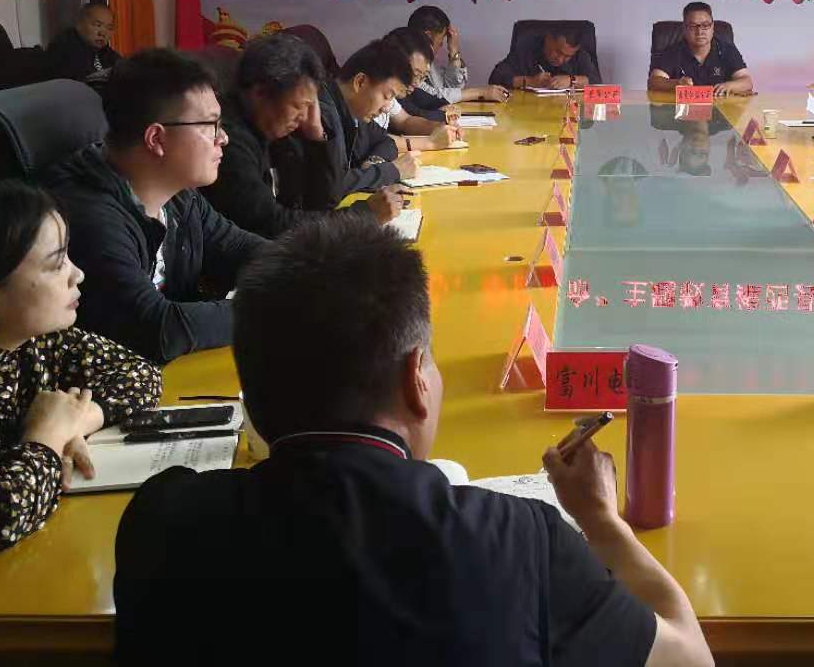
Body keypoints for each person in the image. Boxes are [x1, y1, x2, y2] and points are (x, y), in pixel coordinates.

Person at [114, 215, 714, 667]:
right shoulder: (523, 542)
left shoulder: (163, 522)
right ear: (415, 381)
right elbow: (690, 656)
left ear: (250, 395)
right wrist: (601, 519)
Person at [0, 180, 161, 598]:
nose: (78, 274)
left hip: (20, 571)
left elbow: (140, 375)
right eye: (56, 263)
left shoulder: (31, 338)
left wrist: (75, 421)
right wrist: (46, 437)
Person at [45, 48, 266, 363]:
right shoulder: (88, 215)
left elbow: (240, 247)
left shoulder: (178, 195)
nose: (223, 138)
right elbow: (158, 330)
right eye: (210, 126)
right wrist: (269, 306)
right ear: (156, 139)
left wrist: (299, 272)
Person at [197, 33, 346, 239]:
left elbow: (323, 203)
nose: (304, 116)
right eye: (299, 105)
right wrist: (359, 216)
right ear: (260, 93)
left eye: (310, 106)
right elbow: (269, 224)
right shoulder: (228, 141)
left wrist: (317, 136)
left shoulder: (279, 128)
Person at [274, 37, 420, 211]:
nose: (387, 107)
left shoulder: (355, 112)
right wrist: (391, 171)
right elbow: (331, 187)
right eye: (387, 96)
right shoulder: (320, 113)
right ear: (360, 82)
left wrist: (374, 161)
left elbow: (385, 140)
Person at [370, 27, 467, 149]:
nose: (416, 83)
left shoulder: (390, 92)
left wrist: (439, 128)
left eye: (422, 77)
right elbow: (372, 141)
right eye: (415, 74)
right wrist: (430, 143)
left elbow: (405, 121)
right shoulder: (371, 87)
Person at [405, 5, 511, 108]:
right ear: (428, 36)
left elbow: (451, 89)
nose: (441, 45)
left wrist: (454, 51)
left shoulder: (428, 62)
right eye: (441, 40)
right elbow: (431, 97)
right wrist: (481, 92)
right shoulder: (404, 58)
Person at [647, 2, 753, 97]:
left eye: (705, 25)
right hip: (682, 110)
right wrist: (676, 83)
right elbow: (654, 82)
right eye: (693, 26)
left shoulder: (726, 50)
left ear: (712, 27)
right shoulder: (673, 51)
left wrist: (730, 86)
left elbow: (747, 81)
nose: (700, 32)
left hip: (720, 109)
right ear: (684, 28)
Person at [489, 23, 602, 91]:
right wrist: (529, 81)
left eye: (567, 56)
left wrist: (571, 81)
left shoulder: (580, 55)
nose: (560, 59)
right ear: (548, 39)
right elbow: (496, 77)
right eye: (558, 52)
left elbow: (596, 82)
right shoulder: (526, 48)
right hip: (529, 112)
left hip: (568, 114)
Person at [45, 2, 120, 83]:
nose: (103, 33)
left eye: (109, 28)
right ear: (79, 24)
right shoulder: (64, 47)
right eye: (97, 25)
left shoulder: (105, 51)